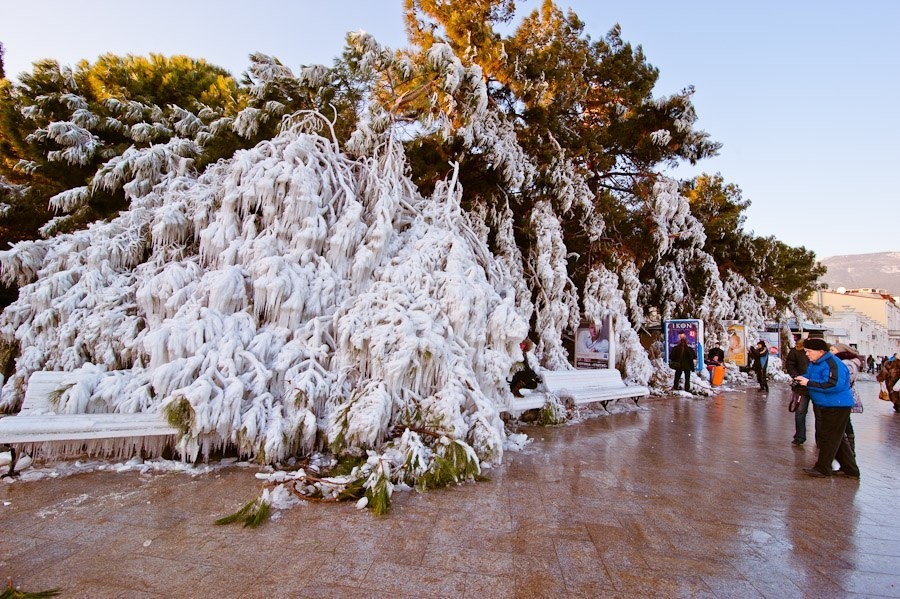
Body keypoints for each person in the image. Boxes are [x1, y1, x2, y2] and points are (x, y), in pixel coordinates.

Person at [793, 338, 860, 479]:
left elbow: (834, 384)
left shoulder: (833, 363)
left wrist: (808, 383)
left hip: (837, 405)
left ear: (820, 351)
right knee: (837, 439)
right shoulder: (816, 363)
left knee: (828, 438)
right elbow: (811, 376)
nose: (807, 354)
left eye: (809, 351)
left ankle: (823, 468)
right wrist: (800, 379)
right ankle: (850, 470)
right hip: (828, 404)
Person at [831, 343, 864, 455]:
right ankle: (848, 450)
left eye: (833, 349)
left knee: (845, 423)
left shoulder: (847, 364)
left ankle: (849, 450)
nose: (830, 351)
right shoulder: (844, 362)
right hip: (844, 396)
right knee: (845, 422)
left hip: (844, 396)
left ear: (841, 351)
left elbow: (844, 381)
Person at [785, 339, 810, 445]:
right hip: (801, 386)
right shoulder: (796, 351)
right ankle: (799, 436)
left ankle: (820, 439)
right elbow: (790, 364)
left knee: (819, 414)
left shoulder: (820, 352)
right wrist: (796, 376)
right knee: (800, 411)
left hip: (816, 386)